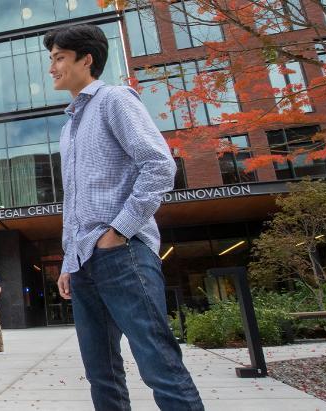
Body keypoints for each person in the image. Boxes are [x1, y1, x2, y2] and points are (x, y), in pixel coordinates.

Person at [46, 24, 204, 410]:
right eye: (51, 59)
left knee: (158, 363)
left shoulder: (114, 99)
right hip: (84, 262)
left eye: (59, 58)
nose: (52, 67)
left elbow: (158, 165)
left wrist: (119, 230)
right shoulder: (69, 130)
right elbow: (74, 203)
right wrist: (69, 261)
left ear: (87, 59)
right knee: (101, 373)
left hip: (124, 254)